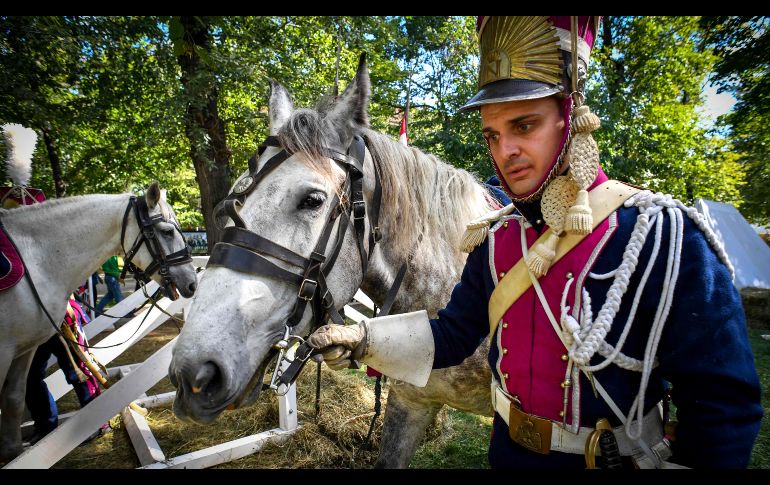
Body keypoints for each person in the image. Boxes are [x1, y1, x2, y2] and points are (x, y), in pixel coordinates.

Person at [307, 16, 762, 469]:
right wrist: (365, 338)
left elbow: (722, 410)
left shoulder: (664, 236)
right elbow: (452, 335)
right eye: (493, 135)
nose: (505, 151)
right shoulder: (497, 238)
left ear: (571, 119)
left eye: (524, 126)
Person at [24, 298, 106, 446]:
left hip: (60, 316)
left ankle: (97, 422)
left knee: (78, 371)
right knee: (30, 378)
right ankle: (45, 427)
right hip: (30, 324)